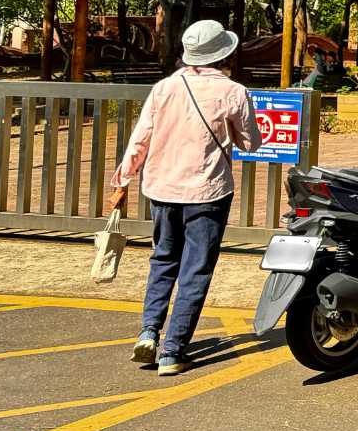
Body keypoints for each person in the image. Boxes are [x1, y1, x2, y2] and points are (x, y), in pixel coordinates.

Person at [107, 19, 261, 375]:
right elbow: (250, 142)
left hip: (161, 188)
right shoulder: (234, 92)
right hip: (208, 191)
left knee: (163, 259)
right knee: (195, 269)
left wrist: (124, 178)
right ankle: (172, 350)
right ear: (224, 52)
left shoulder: (163, 88)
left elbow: (141, 137)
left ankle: (148, 331)